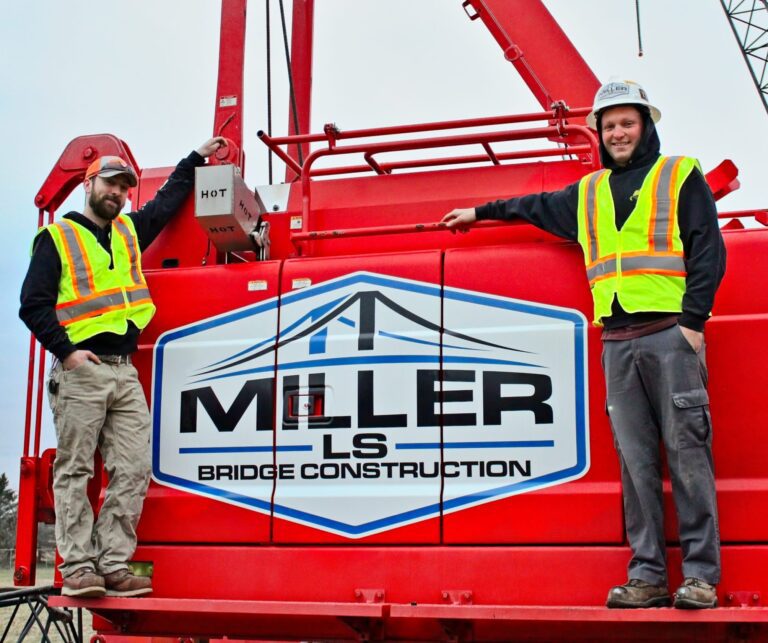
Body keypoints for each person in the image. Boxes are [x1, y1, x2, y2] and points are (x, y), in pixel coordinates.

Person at [442, 80, 725, 610]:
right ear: (598, 133)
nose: (618, 132)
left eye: (627, 122)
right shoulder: (588, 192)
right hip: (616, 341)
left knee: (689, 456)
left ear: (645, 127)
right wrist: (479, 213)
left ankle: (701, 576)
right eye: (609, 125)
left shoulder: (679, 175)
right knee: (635, 465)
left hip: (670, 335)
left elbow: (709, 248)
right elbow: (531, 205)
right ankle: (648, 577)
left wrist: (693, 322)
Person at [19, 137, 226, 598]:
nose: (117, 193)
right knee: (75, 470)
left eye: (124, 188)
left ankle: (113, 564)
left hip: (124, 371)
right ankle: (77, 568)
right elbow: (31, 305)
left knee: (133, 468)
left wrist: (194, 158)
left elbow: (167, 202)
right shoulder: (58, 238)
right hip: (82, 370)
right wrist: (68, 352)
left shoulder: (128, 232)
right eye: (110, 184)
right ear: (90, 185)